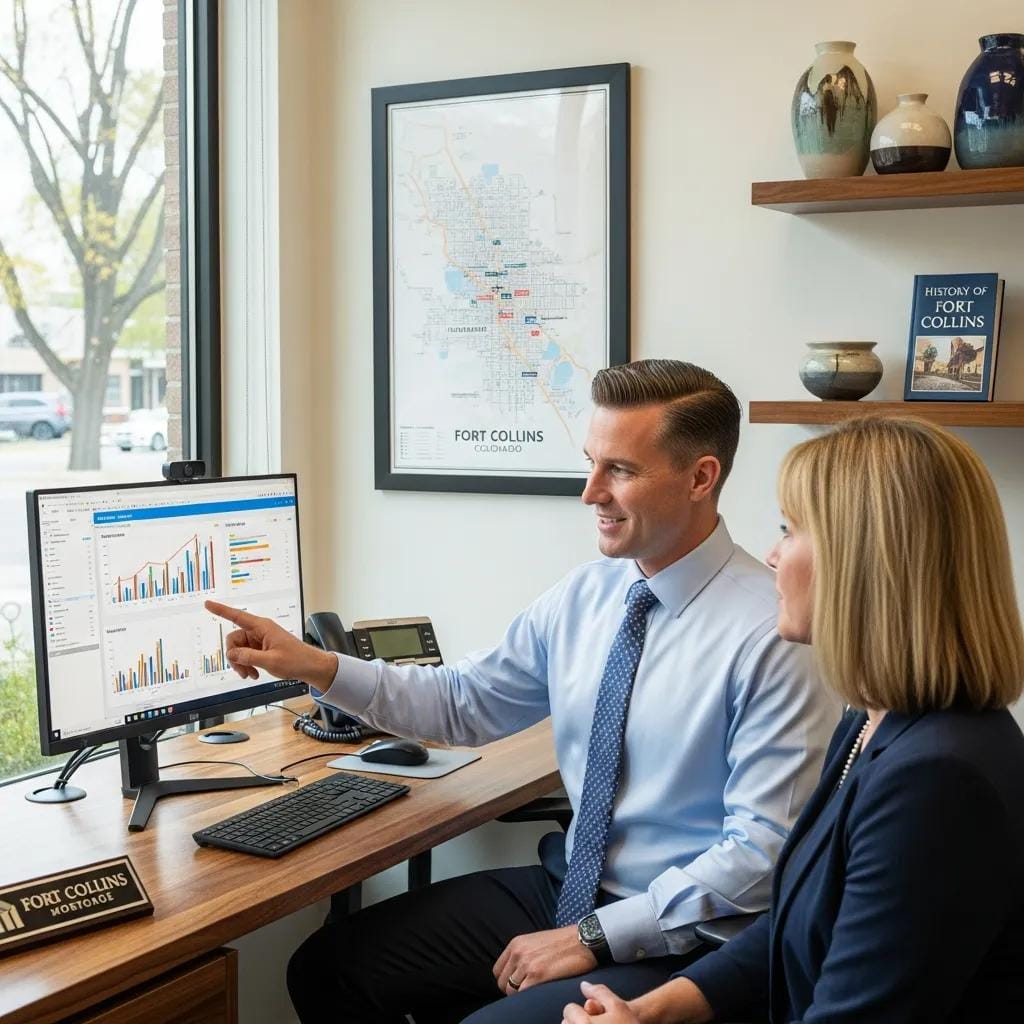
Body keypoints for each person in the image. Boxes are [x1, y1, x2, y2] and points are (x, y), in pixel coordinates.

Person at [206, 359, 836, 1024]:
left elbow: (761, 855)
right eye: (591, 463)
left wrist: (595, 937)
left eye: (619, 470)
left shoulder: (773, 632)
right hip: (565, 889)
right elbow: (464, 704)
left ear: (700, 478)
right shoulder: (589, 594)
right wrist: (316, 665)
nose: (591, 492)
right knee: (329, 969)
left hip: (682, 935)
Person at [561, 415, 1024, 1024]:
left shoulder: (937, 781)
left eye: (790, 530)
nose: (774, 555)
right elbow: (798, 918)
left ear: (864, 562)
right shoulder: (874, 721)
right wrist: (659, 1008)